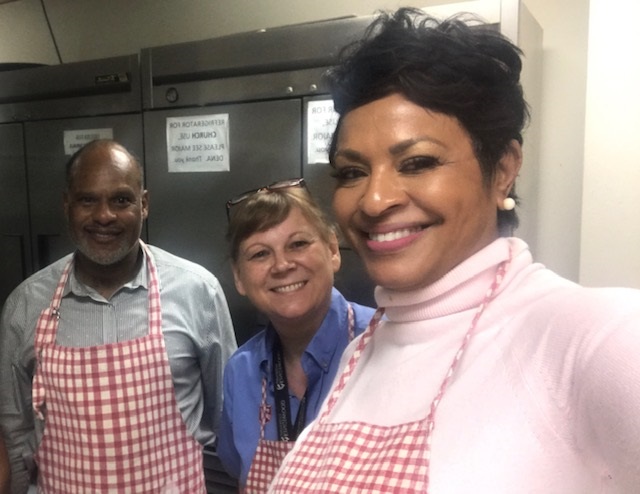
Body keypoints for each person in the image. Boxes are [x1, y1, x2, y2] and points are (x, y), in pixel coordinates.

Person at [270, 9, 640, 493]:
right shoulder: (362, 351)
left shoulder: (596, 337)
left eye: (418, 162)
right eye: (352, 172)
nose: (375, 200)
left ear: (504, 168)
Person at [0, 139, 237, 494]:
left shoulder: (198, 291)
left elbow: (228, 418)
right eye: (87, 200)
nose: (104, 215)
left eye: (121, 199)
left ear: (144, 204)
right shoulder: (26, 305)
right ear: (67, 205)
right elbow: (16, 430)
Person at [217, 179, 375, 492]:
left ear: (332, 249)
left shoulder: (383, 345)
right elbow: (236, 467)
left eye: (298, 244)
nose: (282, 265)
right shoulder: (242, 370)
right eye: (260, 254)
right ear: (239, 278)